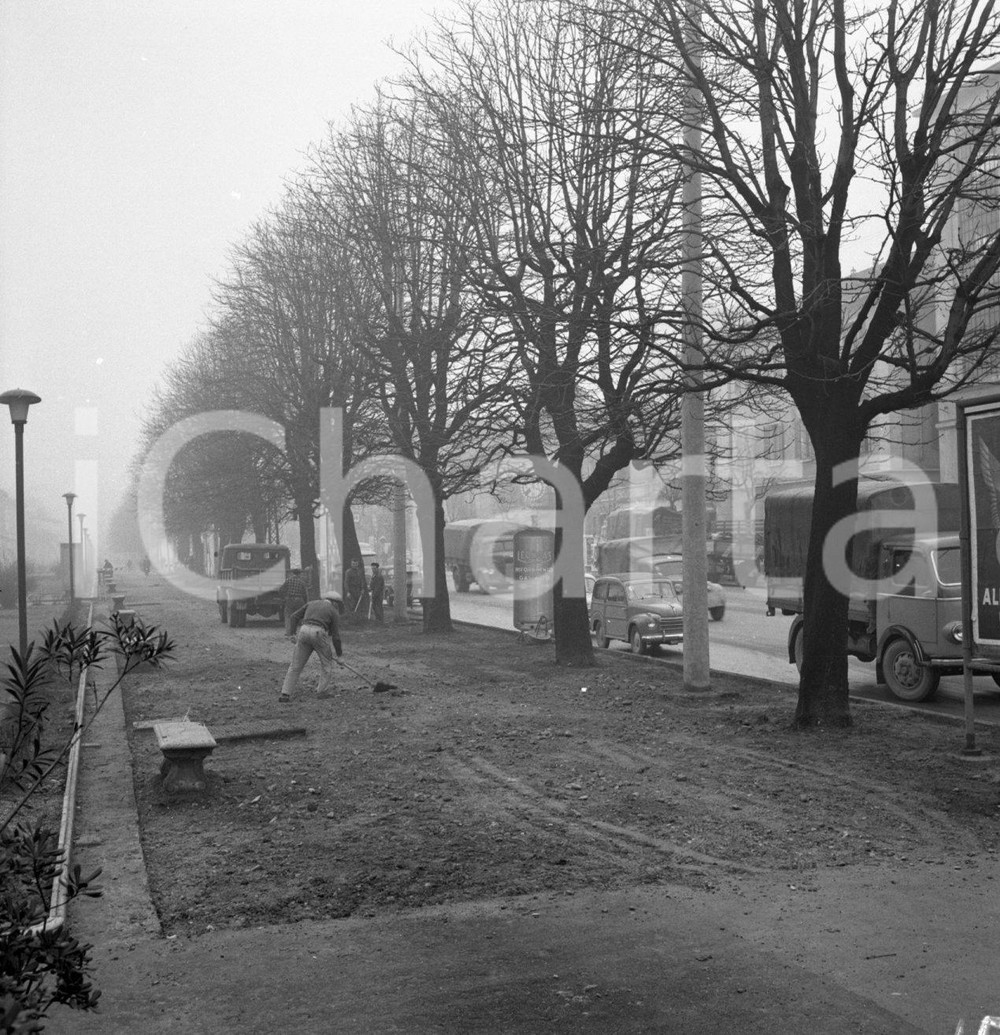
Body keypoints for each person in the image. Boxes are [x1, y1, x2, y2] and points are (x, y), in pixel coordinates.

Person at [280, 594, 344, 702]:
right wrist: (340, 655)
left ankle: (285, 693)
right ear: (334, 603)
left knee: (296, 665)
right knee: (326, 664)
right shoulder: (333, 611)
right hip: (318, 633)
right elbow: (336, 636)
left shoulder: (311, 603)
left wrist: (292, 634)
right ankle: (322, 691)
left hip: (303, 631)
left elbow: (294, 616)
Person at [280, 568, 309, 638]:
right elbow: (305, 594)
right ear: (300, 574)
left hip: (290, 599)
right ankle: (300, 633)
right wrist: (306, 603)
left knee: (288, 616)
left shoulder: (288, 581)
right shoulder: (302, 582)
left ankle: (288, 633)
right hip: (300, 600)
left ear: (292, 573)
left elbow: (281, 590)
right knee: (299, 617)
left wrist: (284, 597)